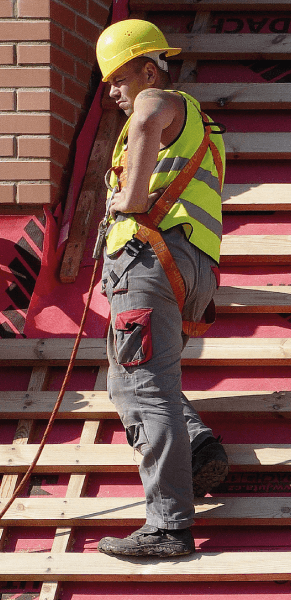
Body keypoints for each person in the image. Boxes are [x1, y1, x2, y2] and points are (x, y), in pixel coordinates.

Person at [93, 19, 228, 558]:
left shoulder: (162, 102)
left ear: (149, 69)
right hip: (184, 265)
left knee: (141, 389)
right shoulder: (201, 126)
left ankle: (169, 525)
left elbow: (148, 110)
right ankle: (195, 445)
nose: (114, 93)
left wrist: (128, 199)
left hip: (150, 263)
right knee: (135, 384)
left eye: (120, 80)